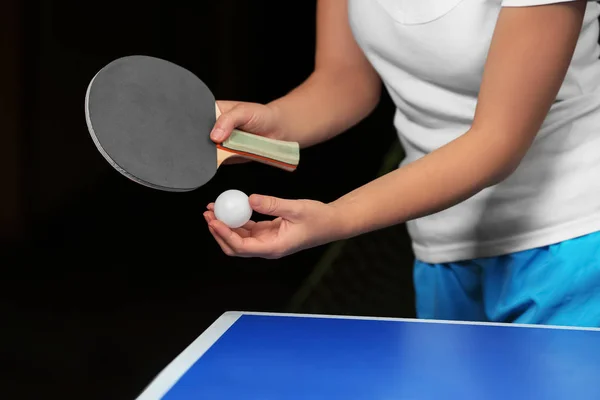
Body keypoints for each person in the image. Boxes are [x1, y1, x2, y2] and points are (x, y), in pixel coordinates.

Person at [203, 0, 600, 327]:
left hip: (570, 239)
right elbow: (344, 79)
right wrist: (271, 123)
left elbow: (496, 142)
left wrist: (336, 218)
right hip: (441, 243)